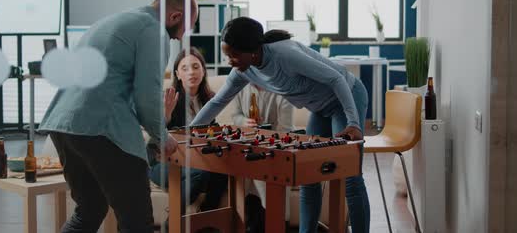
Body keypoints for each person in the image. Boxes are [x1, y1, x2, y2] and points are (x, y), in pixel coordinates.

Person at [39, 0, 198, 233]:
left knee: (89, 211)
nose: (180, 37)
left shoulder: (114, 20)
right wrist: (162, 137)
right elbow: (146, 95)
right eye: (185, 29)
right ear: (175, 17)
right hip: (101, 129)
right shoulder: (154, 31)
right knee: (137, 223)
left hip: (63, 125)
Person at [190, 17, 370, 233]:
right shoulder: (243, 70)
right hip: (321, 109)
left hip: (346, 95)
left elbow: (336, 80)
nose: (229, 60)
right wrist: (190, 130)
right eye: (227, 55)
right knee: (309, 176)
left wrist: (353, 122)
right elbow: (218, 101)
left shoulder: (285, 54)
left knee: (350, 177)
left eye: (233, 55)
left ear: (252, 51)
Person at [148, 47, 227, 211]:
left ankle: (207, 216)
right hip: (161, 162)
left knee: (223, 172)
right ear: (177, 74)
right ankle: (173, 221)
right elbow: (155, 135)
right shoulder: (168, 98)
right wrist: (166, 117)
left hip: (194, 160)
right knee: (200, 172)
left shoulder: (210, 100)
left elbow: (212, 132)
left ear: (204, 71)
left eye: (196, 67)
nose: (191, 72)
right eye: (185, 68)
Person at [231, 84, 294, 231]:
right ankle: (253, 222)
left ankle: (273, 222)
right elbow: (235, 116)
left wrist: (265, 137)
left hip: (277, 148)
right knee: (247, 172)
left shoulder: (283, 88)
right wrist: (243, 122)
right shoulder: (239, 85)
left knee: (262, 174)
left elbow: (286, 130)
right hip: (246, 144)